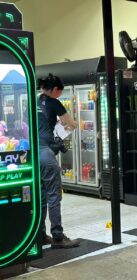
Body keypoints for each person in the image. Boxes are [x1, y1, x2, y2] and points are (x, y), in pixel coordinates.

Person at [37, 73, 79, 248]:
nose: (60, 95)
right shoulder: (54, 102)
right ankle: (58, 237)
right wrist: (71, 125)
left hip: (33, 153)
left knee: (41, 196)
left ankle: (40, 235)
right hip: (46, 154)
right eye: (60, 92)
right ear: (54, 90)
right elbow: (71, 123)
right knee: (54, 195)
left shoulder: (37, 100)